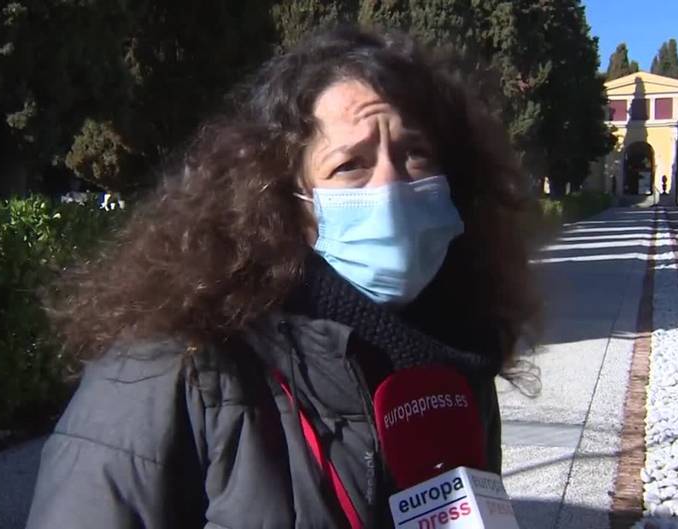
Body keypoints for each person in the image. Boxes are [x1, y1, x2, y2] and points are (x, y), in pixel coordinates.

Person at [26, 26, 538, 529]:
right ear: (285, 202)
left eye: (413, 154)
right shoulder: (174, 368)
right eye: (349, 165)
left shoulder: (455, 356)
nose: (391, 185)